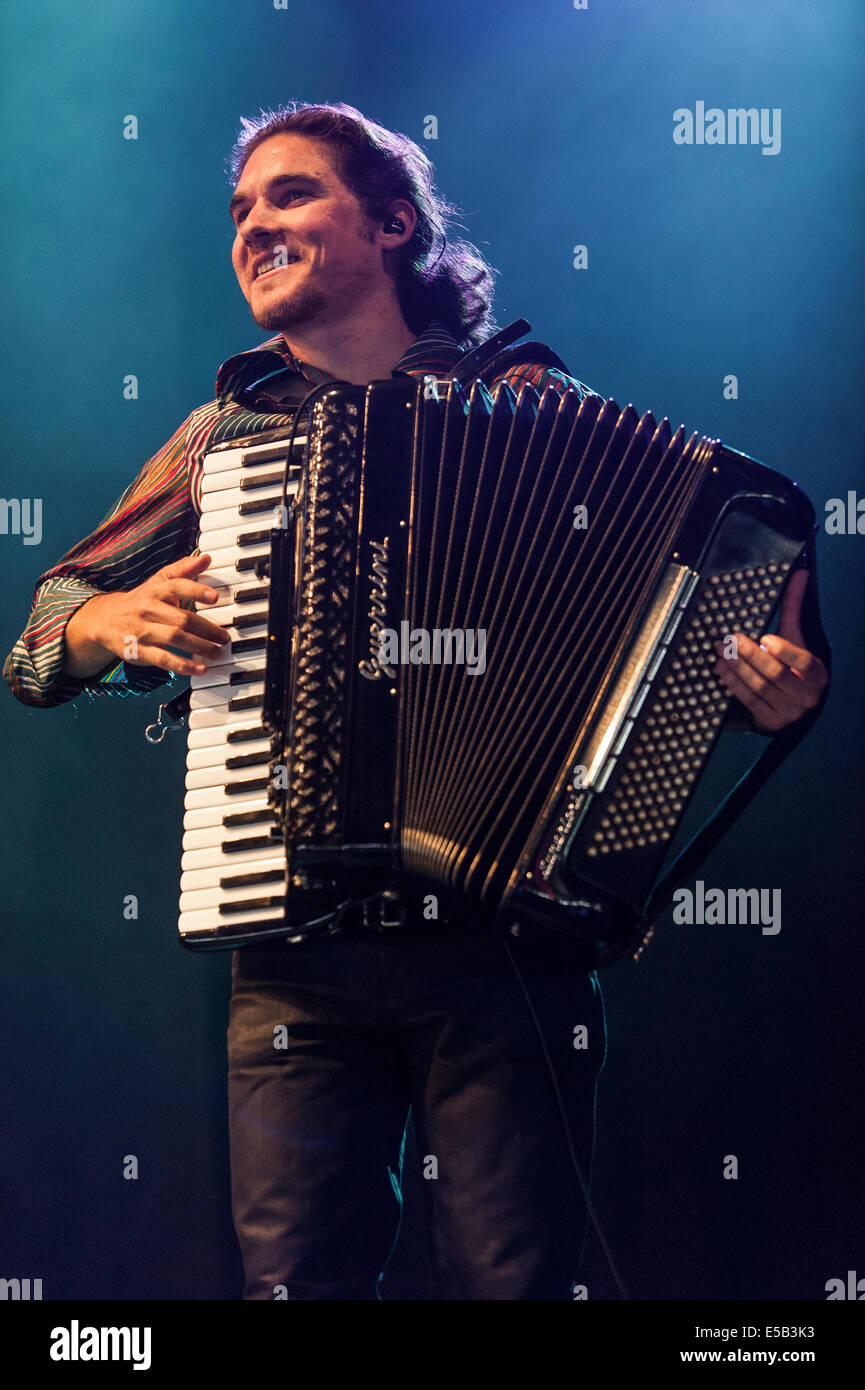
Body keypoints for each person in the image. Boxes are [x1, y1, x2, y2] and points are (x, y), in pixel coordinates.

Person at [4, 102, 828, 1300]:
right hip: (289, 939)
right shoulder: (223, 436)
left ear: (393, 224)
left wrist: (762, 688)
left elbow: (676, 641)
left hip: (501, 947)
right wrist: (99, 624)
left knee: (512, 1286)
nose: (253, 226)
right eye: (240, 211)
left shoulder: (536, 410)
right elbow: (36, 631)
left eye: (290, 196)